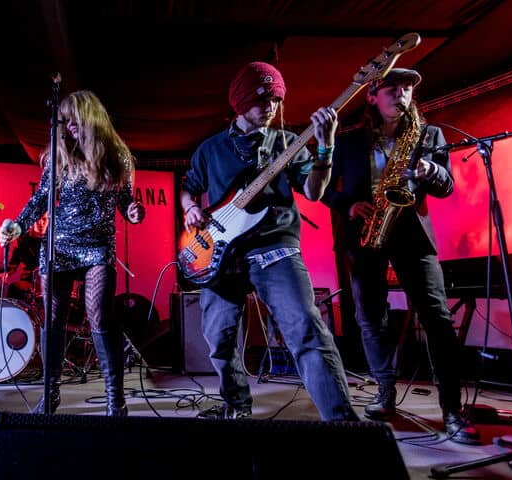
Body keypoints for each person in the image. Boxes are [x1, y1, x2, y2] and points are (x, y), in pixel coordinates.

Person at [181, 61, 359, 421]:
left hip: (276, 248)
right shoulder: (210, 149)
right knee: (218, 338)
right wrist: (190, 209)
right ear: (241, 101)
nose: (271, 107)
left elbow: (313, 191)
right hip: (222, 255)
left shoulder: (288, 143)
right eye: (263, 100)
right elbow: (189, 189)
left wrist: (325, 147)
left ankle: (342, 421)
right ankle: (236, 405)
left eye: (277, 100)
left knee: (307, 329)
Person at [321, 68, 479, 443]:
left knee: (437, 318)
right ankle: (384, 390)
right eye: (393, 88)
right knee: (369, 317)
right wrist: (348, 205)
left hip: (412, 233)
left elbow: (446, 186)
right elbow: (323, 187)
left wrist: (430, 169)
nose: (402, 94)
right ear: (372, 96)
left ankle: (452, 409)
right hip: (366, 231)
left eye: (407, 89)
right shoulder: (349, 141)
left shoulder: (429, 135)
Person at [0, 90, 145, 416]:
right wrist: (19, 225)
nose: (69, 126)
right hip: (60, 244)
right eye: (64, 121)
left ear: (90, 117)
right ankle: (50, 395)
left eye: (73, 119)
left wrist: (134, 213)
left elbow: (126, 203)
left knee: (100, 315)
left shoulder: (117, 155)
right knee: (54, 318)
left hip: (98, 246)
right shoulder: (59, 154)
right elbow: (41, 197)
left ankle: (115, 400)